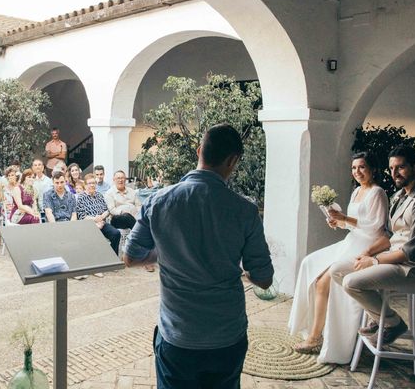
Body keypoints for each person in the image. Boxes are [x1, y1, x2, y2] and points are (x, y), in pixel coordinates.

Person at [123, 124, 274, 389]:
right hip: (226, 336)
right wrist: (241, 270)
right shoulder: (245, 211)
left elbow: (131, 257)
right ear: (233, 161)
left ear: (198, 150)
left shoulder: (158, 201)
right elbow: (263, 279)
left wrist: (165, 252)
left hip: (177, 336)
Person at [330, 145, 415, 346]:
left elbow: (412, 252)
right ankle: (379, 318)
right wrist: (367, 252)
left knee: (351, 282)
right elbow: (389, 234)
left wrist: (374, 260)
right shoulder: (399, 195)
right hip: (393, 258)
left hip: (414, 269)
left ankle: (392, 323)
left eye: (401, 167)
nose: (395, 173)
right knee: (336, 270)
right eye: (392, 168)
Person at [288, 152, 388, 362]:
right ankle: (310, 326)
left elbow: (376, 227)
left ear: (372, 169)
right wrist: (338, 223)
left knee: (324, 281)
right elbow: (352, 225)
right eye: (353, 168)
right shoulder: (356, 192)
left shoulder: (378, 193)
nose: (357, 172)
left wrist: (345, 218)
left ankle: (316, 338)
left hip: (366, 247)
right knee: (309, 263)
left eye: (361, 167)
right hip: (351, 241)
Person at [77, 173, 121, 256]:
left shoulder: (99, 195)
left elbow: (107, 210)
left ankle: (112, 258)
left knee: (116, 234)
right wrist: (95, 220)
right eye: (90, 183)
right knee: (94, 239)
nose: (92, 185)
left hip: (102, 223)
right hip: (89, 226)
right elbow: (81, 216)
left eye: (94, 183)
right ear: (85, 185)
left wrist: (101, 217)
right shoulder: (81, 197)